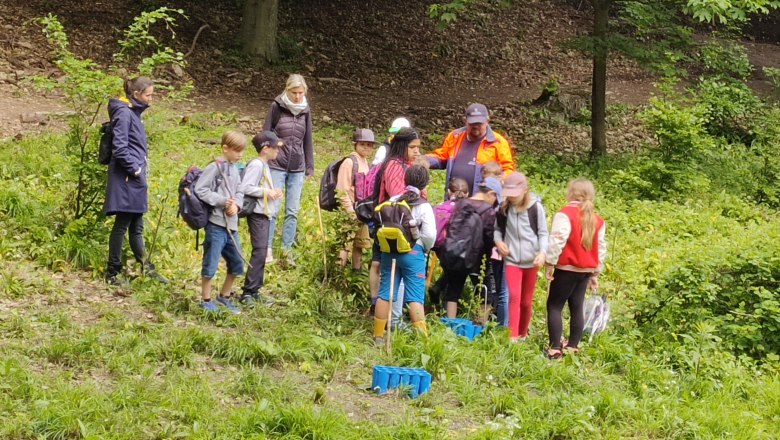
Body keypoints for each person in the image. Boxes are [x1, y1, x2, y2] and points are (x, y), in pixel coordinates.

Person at [104, 76, 167, 286]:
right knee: (122, 225)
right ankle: (112, 274)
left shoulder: (132, 112)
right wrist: (135, 169)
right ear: (136, 94)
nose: (151, 99)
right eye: (148, 95)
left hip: (134, 178)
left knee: (136, 226)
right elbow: (119, 147)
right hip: (127, 178)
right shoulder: (123, 112)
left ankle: (146, 268)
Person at [373, 165, 436, 345]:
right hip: (413, 253)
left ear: (405, 180)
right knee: (415, 297)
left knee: (385, 293)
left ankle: (378, 336)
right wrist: (424, 247)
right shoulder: (423, 206)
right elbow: (430, 235)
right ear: (425, 184)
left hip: (389, 252)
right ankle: (423, 340)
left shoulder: (393, 199)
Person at [544, 178, 607, 359]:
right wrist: (595, 272)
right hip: (585, 270)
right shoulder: (597, 219)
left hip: (566, 268)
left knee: (554, 306)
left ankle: (555, 348)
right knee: (576, 306)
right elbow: (601, 248)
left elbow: (557, 240)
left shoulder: (565, 214)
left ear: (570, 193)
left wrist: (550, 262)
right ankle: (573, 345)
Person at [367, 127, 422, 317]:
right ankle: (394, 320)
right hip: (392, 227)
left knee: (397, 273)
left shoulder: (405, 165)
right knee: (392, 275)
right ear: (401, 146)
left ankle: (395, 318)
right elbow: (400, 198)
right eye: (413, 147)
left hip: (401, 227)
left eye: (418, 147)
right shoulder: (394, 166)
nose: (417, 152)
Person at [263, 74, 314, 267]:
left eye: (300, 93)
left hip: (297, 166)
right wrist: (265, 156)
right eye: (294, 92)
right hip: (276, 164)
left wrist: (309, 165)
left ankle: (287, 250)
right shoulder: (277, 106)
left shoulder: (306, 110)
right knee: (273, 208)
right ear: (287, 90)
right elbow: (265, 133)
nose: (297, 96)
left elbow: (308, 138)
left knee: (292, 210)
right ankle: (266, 249)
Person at [194, 131, 247, 314]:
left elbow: (240, 192)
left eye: (242, 151)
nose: (240, 154)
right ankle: (206, 299)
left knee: (237, 263)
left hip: (231, 227)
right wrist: (222, 201)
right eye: (236, 150)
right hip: (216, 224)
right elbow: (201, 190)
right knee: (211, 262)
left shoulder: (235, 168)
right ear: (225, 149)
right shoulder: (215, 167)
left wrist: (237, 206)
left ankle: (224, 297)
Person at [494, 172, 549, 342]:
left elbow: (543, 232)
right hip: (511, 260)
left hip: (531, 261)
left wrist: (542, 252)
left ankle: (523, 334)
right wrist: (498, 242)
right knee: (514, 297)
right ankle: (512, 338)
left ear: (524, 190)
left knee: (525, 302)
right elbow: (497, 230)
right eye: (508, 195)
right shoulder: (504, 207)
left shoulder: (535, 208)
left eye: (514, 194)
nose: (511, 198)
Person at [442, 177, 502, 319]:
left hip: (457, 254)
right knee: (484, 294)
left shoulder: (460, 204)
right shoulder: (488, 211)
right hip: (478, 259)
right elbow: (489, 238)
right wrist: (489, 259)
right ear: (491, 193)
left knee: (453, 292)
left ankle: (449, 327)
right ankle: (479, 327)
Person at [426, 103, 514, 195]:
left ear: (487, 121)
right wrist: (422, 160)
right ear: (465, 121)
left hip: (483, 202)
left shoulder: (498, 142)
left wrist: (495, 182)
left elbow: (508, 169)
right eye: (472, 123)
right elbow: (442, 156)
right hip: (454, 200)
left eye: (479, 123)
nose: (475, 126)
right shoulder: (455, 136)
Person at [239, 131, 284, 306]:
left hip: (264, 213)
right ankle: (248, 292)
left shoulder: (264, 165)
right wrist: (267, 192)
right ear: (265, 148)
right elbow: (246, 187)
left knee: (262, 251)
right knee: (259, 251)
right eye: (275, 148)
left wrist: (272, 193)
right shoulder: (257, 165)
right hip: (257, 214)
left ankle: (255, 290)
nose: (277, 152)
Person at [428, 177, 469, 311]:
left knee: (451, 271)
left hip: (442, 250)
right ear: (467, 193)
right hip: (462, 250)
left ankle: (438, 288)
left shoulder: (440, 207)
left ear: (448, 191)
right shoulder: (470, 208)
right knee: (455, 281)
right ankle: (447, 308)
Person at [336, 129, 375, 270]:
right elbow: (342, 190)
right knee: (345, 244)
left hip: (362, 212)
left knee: (359, 244)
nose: (366, 147)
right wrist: (350, 212)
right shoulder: (349, 162)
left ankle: (355, 272)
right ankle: (339, 273)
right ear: (355, 144)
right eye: (362, 144)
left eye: (369, 145)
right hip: (350, 211)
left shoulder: (366, 163)